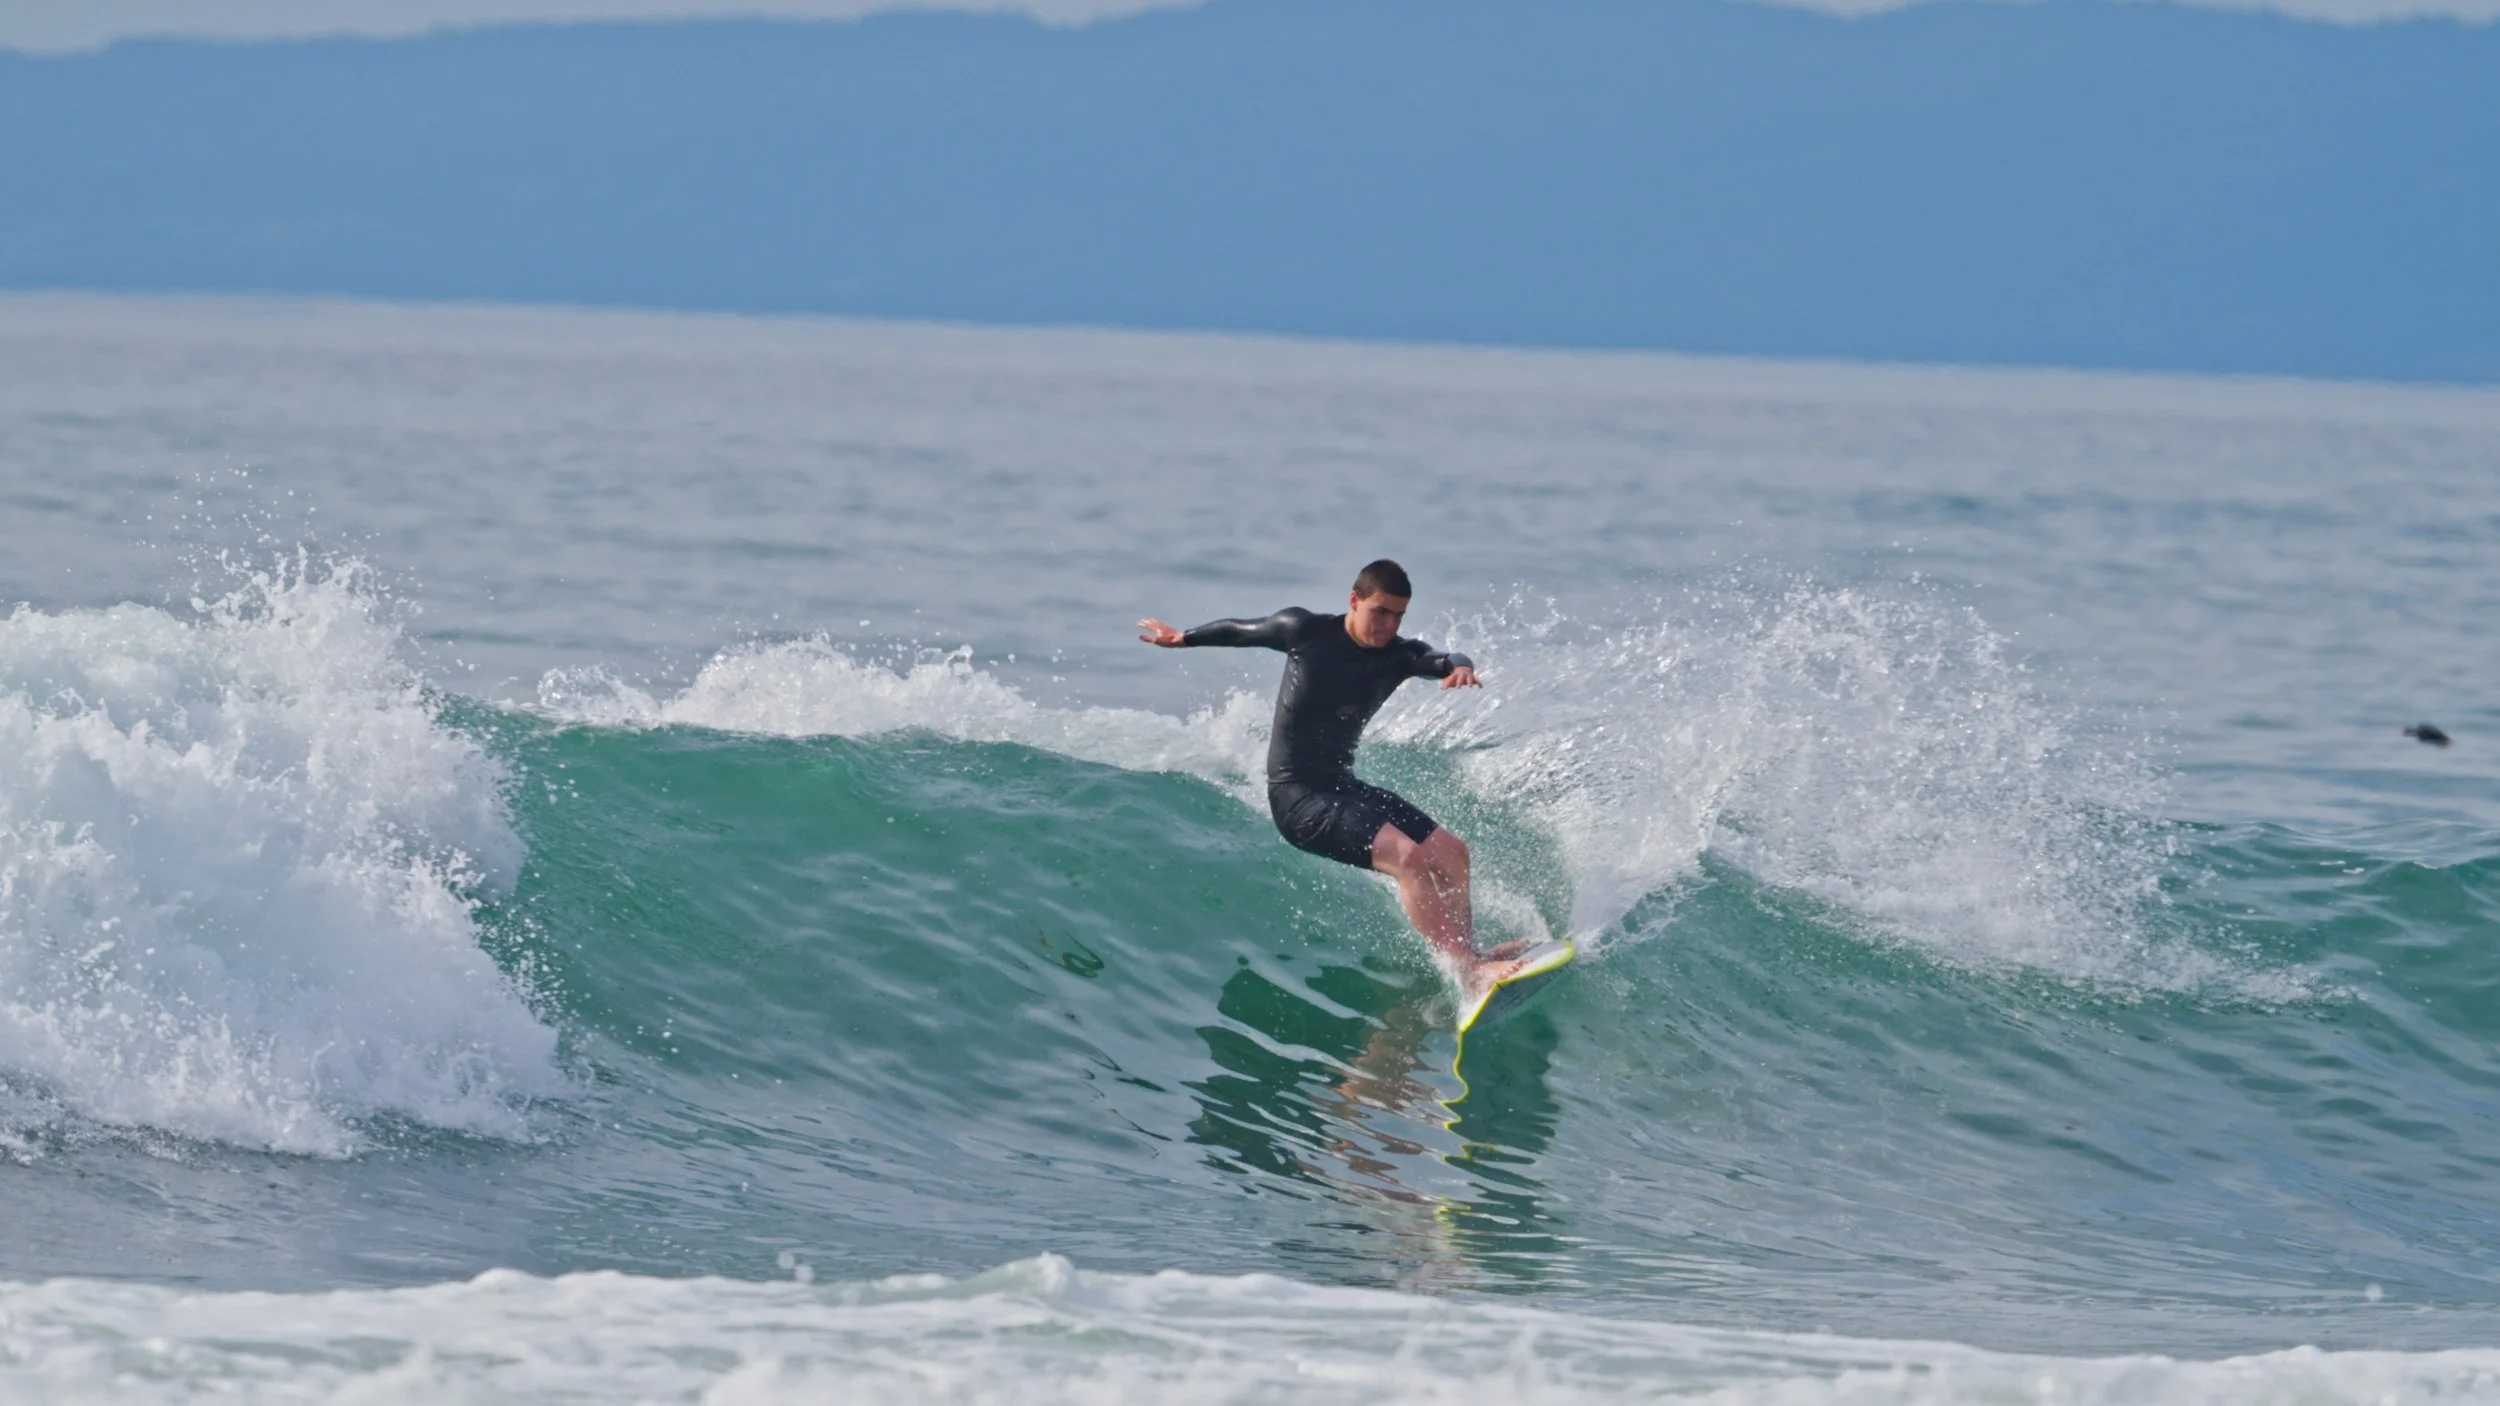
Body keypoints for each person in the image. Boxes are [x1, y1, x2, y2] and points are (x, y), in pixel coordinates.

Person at [1139, 559, 1528, 1001]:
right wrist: (1183, 638)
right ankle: (1466, 968)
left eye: (1398, 615)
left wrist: (1460, 666)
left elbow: (1444, 658)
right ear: (1354, 600)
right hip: (1297, 798)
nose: (1388, 624)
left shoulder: (1399, 655)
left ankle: (1470, 954)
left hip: (1343, 788)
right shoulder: (1305, 631)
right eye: (1380, 611)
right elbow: (1240, 630)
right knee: (1409, 859)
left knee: (1452, 854)